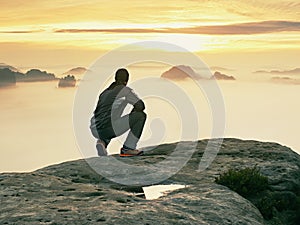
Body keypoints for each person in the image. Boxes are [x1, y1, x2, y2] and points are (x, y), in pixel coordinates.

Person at [90, 68, 146, 157]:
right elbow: (141, 106)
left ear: (115, 79)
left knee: (110, 119)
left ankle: (102, 142)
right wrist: (133, 113)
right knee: (141, 116)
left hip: (95, 129)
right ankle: (128, 148)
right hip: (107, 128)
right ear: (126, 81)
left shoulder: (104, 93)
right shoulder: (125, 90)